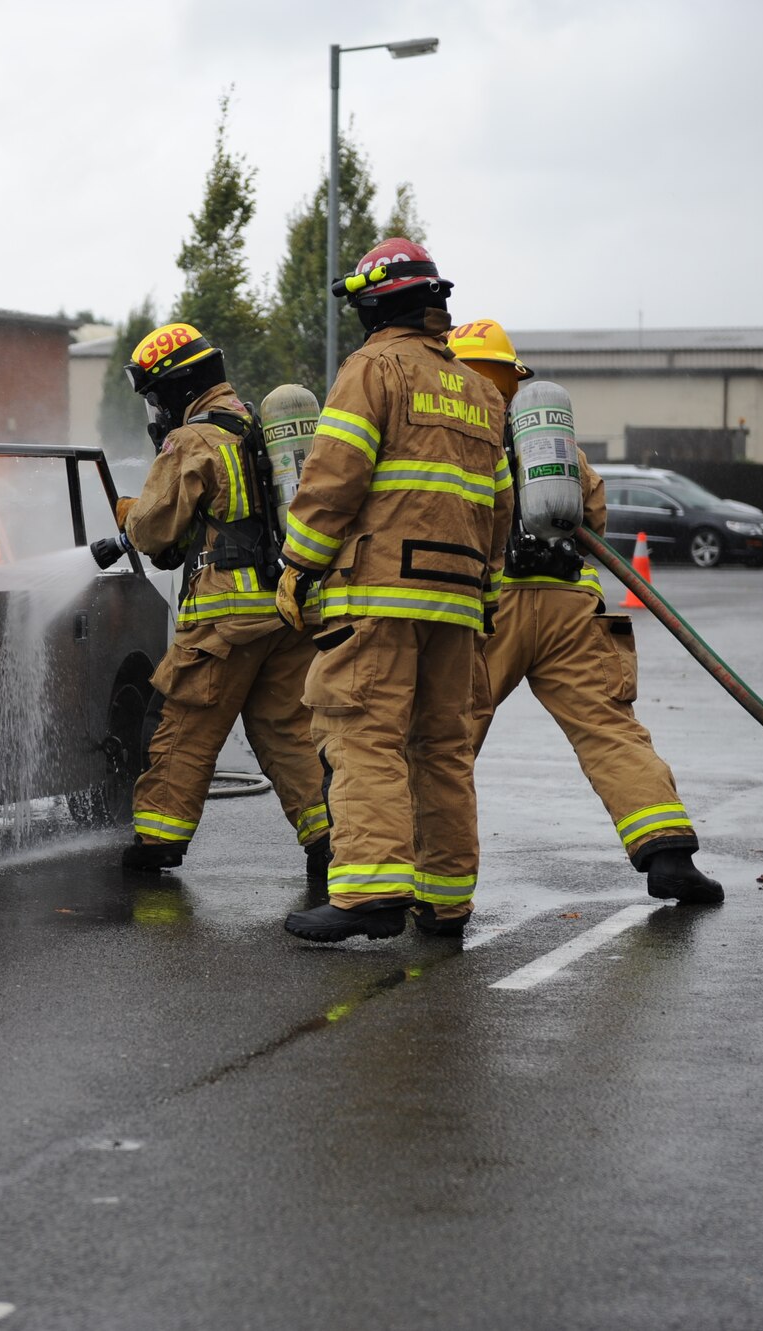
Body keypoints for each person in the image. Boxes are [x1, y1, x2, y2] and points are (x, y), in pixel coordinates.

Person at [276, 239, 512, 943]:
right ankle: (444, 901)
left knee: (363, 733)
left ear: (377, 303)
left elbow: (333, 477)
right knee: (442, 744)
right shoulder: (478, 389)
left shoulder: (374, 367)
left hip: (379, 590)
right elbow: (500, 506)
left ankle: (372, 890)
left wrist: (298, 565)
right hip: (458, 597)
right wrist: (486, 590)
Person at [447, 318, 723, 918]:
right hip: (571, 602)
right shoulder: (549, 440)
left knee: (450, 733)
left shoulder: (451, 432)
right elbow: (591, 512)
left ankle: (413, 870)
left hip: (492, 603)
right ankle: (669, 854)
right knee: (607, 727)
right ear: (511, 379)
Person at [114, 321, 331, 880]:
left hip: (224, 620)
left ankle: (158, 840)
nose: (156, 409)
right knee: (286, 731)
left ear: (179, 388)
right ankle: (328, 842)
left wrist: (126, 513)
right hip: (284, 611)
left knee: (183, 723)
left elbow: (155, 531)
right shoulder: (257, 426)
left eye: (157, 395)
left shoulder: (193, 440)